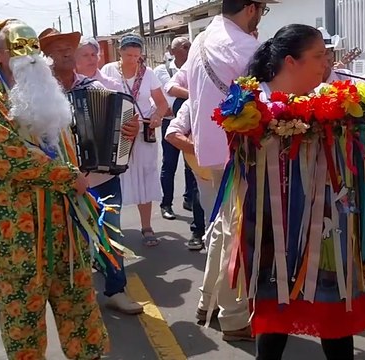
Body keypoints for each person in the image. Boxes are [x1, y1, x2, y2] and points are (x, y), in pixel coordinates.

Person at [0, 19, 107, 359]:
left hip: (65, 230)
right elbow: (13, 159)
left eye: (34, 48)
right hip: (16, 239)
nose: (30, 56)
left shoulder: (46, 93)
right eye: (18, 48)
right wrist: (72, 178)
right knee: (22, 324)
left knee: (81, 314)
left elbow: (64, 148)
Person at [242, 24, 364, 360]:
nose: (325, 64)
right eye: (318, 56)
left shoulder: (328, 96)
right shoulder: (251, 103)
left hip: (325, 221)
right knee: (275, 306)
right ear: (290, 61)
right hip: (273, 222)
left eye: (326, 56)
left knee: (332, 308)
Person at [165, 0, 279, 342]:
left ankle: (208, 303)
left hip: (211, 150)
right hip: (240, 151)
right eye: (261, 9)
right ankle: (233, 317)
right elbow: (271, 98)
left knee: (222, 227)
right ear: (250, 8)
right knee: (236, 235)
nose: (260, 17)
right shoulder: (245, 46)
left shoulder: (202, 38)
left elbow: (181, 85)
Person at [39, 28, 145, 315]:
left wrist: (130, 129)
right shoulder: (39, 96)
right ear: (44, 57)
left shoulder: (94, 87)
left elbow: (124, 122)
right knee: (72, 240)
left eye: (68, 47)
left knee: (112, 233)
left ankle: (115, 290)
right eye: (56, 48)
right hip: (64, 182)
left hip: (103, 178)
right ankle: (78, 297)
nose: (64, 52)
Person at [101, 33, 170, 247]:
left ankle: (147, 227)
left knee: (145, 177)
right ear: (119, 51)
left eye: (136, 55)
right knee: (114, 180)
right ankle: (113, 229)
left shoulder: (147, 73)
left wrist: (158, 116)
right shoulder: (108, 71)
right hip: (117, 134)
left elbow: (161, 103)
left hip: (142, 134)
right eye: (128, 54)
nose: (132, 59)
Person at [154, 36, 206, 250]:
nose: (188, 49)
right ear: (175, 51)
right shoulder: (163, 71)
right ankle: (167, 204)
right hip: (172, 122)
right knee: (169, 165)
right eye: (185, 47)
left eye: (190, 46)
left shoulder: (199, 67)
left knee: (191, 173)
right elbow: (166, 90)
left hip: (196, 124)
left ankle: (189, 202)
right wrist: (197, 95)